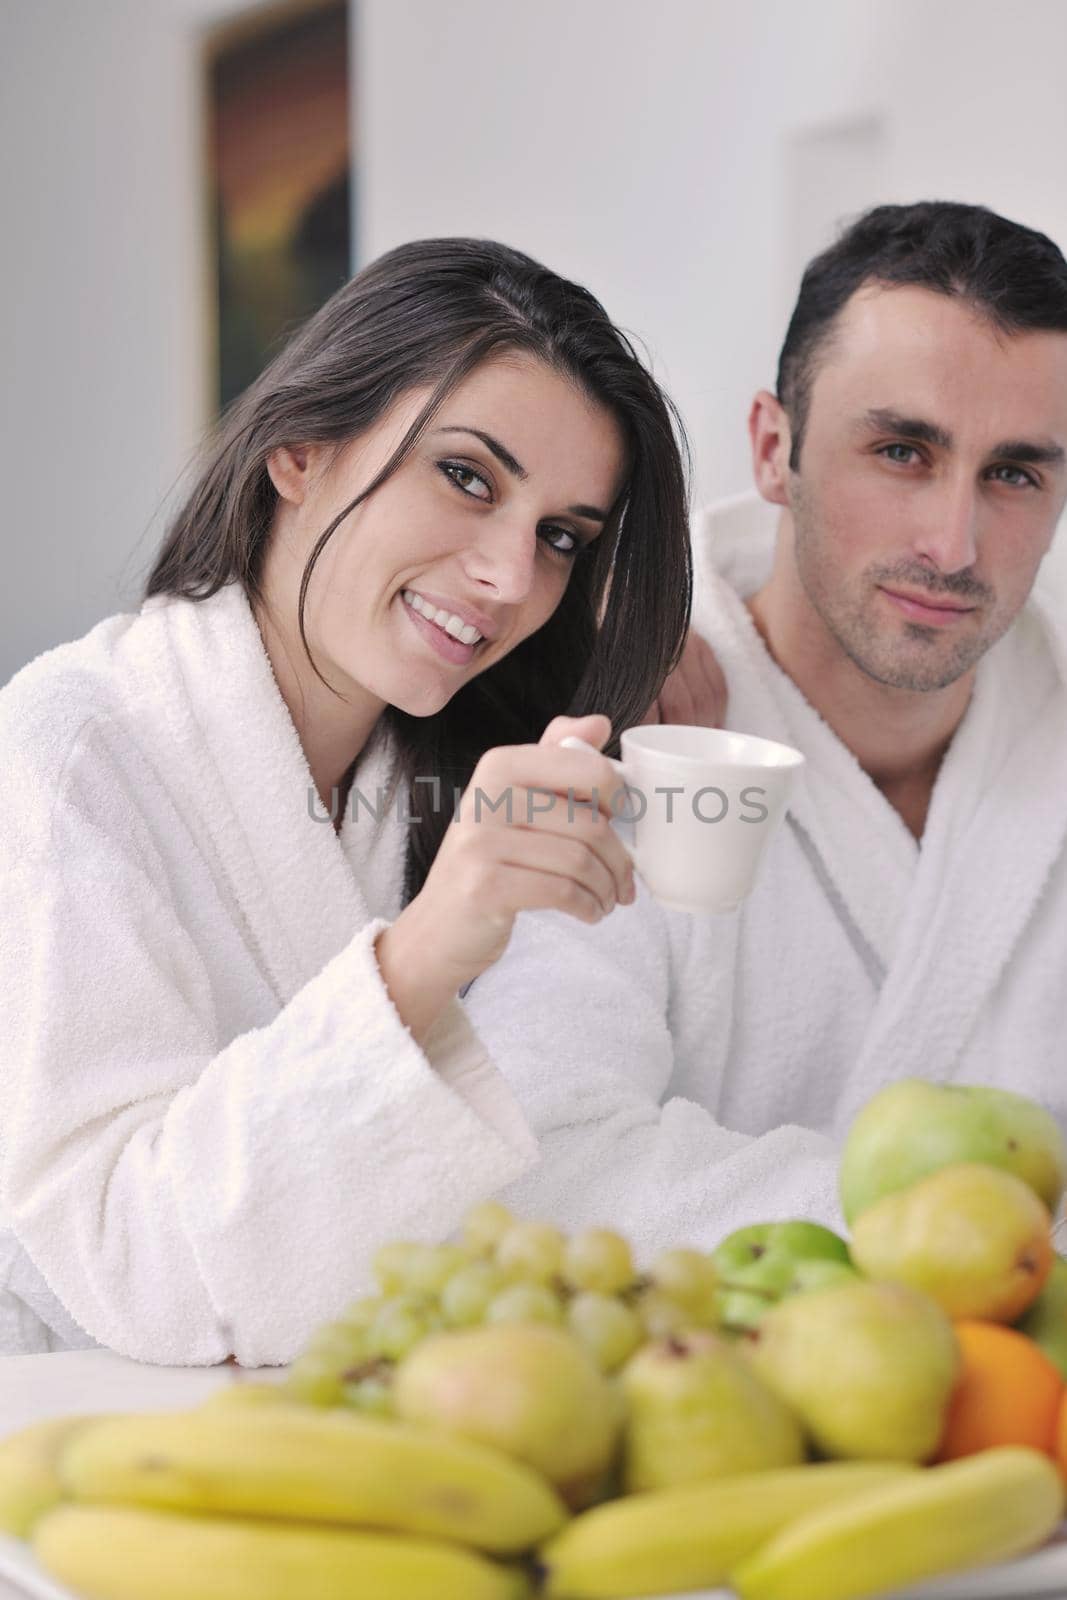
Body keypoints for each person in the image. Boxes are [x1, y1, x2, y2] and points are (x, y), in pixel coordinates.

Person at [0, 238, 696, 1363]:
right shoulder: (74, 746)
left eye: (560, 537)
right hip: (57, 1441)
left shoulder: (446, 776)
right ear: (301, 447)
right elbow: (125, 1262)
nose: (510, 578)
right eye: (467, 476)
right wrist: (419, 955)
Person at [464, 201, 1067, 1261]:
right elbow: (542, 1151)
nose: (952, 543)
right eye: (899, 450)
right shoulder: (627, 719)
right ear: (771, 448)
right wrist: (956, 1249)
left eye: (1013, 473)